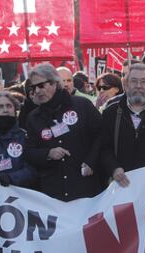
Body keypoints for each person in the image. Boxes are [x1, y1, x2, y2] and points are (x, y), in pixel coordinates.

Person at [25, 63, 103, 201]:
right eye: (33, 87)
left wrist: (92, 161)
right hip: (54, 193)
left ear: (55, 83)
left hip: (86, 187)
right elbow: (29, 152)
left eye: (41, 85)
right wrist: (47, 154)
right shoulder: (33, 118)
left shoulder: (81, 105)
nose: (37, 91)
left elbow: (102, 135)